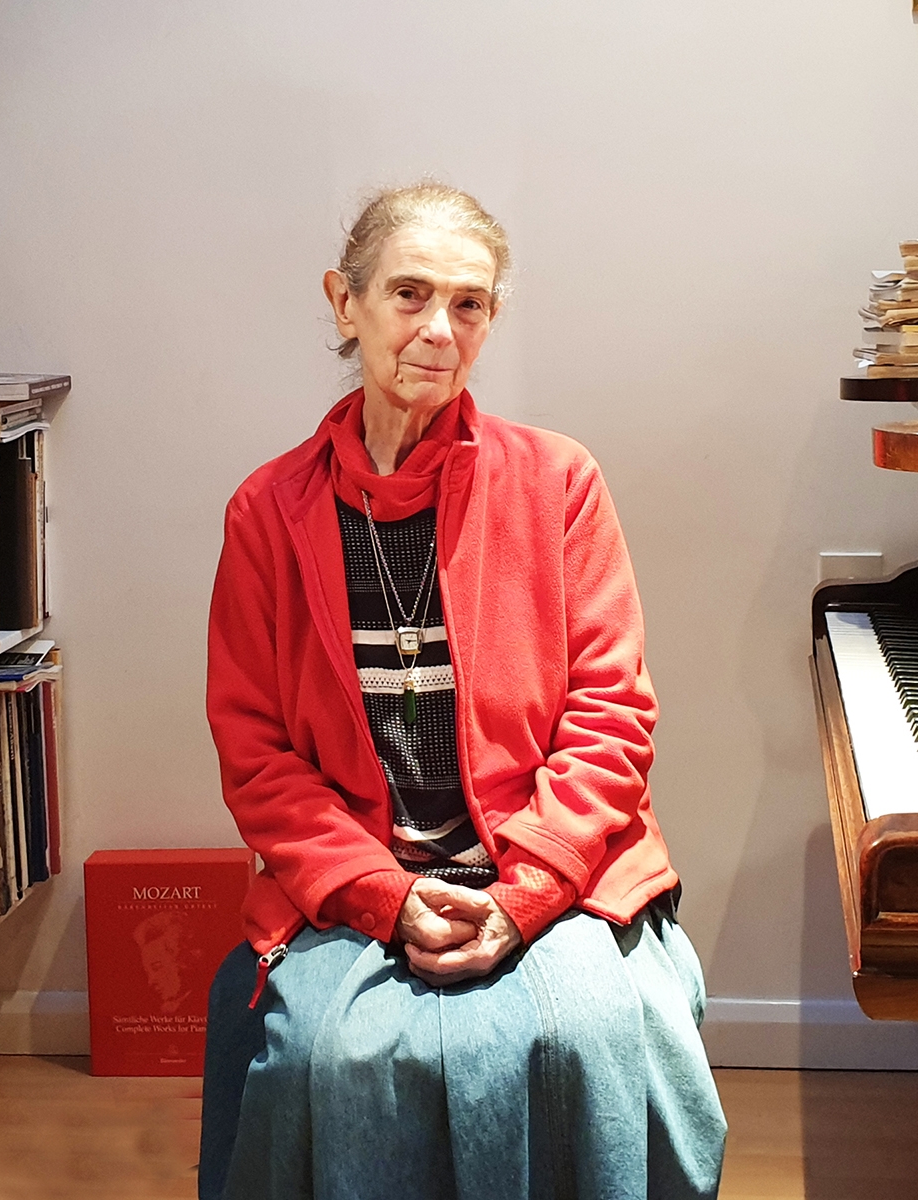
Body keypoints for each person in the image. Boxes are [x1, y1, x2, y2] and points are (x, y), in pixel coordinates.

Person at [199, 181, 726, 1200]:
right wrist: (385, 899)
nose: (440, 329)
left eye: (470, 304)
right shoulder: (267, 510)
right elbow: (255, 752)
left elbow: (611, 717)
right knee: (327, 1061)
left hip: (550, 868)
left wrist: (524, 894)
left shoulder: (559, 480)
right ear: (344, 305)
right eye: (409, 294)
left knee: (589, 1036)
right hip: (363, 874)